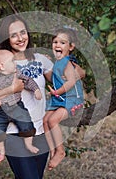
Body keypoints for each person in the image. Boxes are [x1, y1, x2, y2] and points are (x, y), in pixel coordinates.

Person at [0, 15, 85, 178]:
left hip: (40, 133)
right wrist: (11, 89)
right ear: (6, 38)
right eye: (13, 35)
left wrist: (79, 73)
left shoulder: (40, 60)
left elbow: (67, 77)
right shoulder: (2, 65)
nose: (20, 38)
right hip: (15, 134)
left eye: (23, 32)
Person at [0, 49, 42, 163]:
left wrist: (36, 90)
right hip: (0, 110)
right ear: (2, 66)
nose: (16, 64)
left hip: (16, 106)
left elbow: (28, 80)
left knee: (26, 123)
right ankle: (1, 150)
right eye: (13, 62)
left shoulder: (17, 73)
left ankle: (29, 144)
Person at [43, 28, 84, 170]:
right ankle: (52, 150)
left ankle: (60, 151)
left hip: (71, 100)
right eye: (55, 42)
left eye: (62, 42)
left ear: (71, 47)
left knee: (52, 120)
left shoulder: (68, 63)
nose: (57, 45)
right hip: (60, 99)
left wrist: (56, 92)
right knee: (45, 120)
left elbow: (70, 82)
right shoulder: (58, 62)